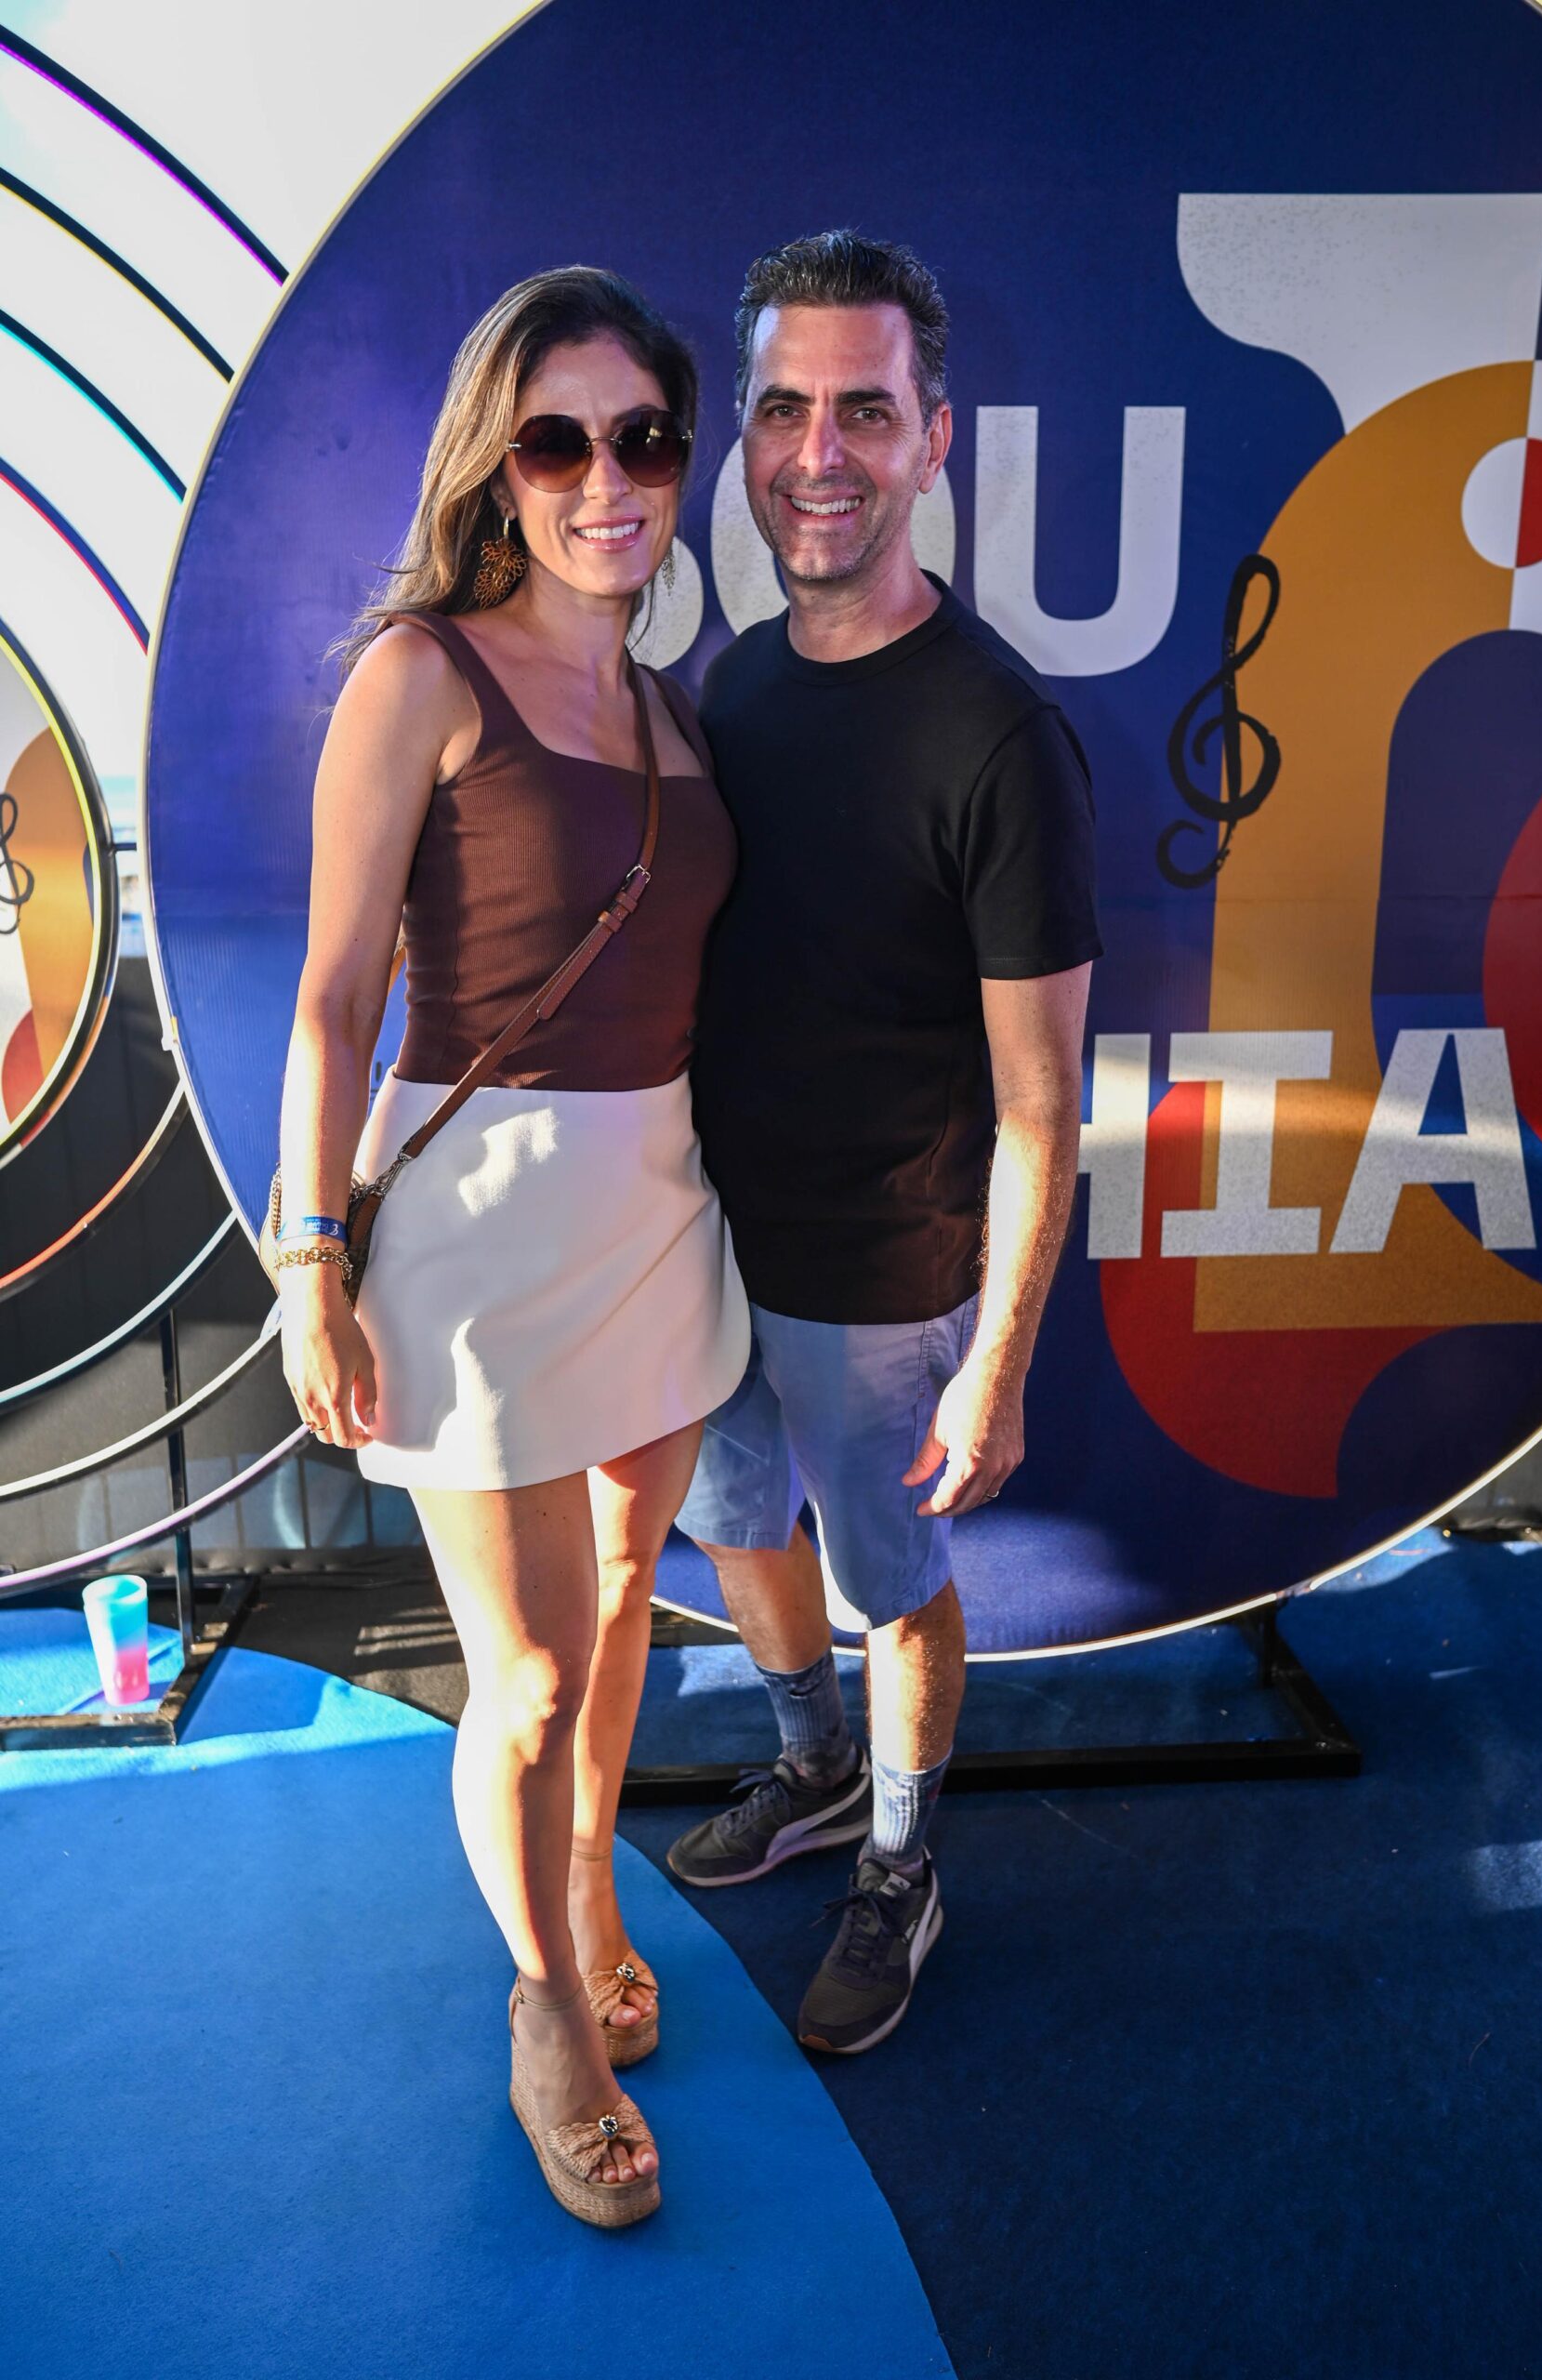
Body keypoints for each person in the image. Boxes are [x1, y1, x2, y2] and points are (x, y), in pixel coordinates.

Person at [275, 268, 749, 2226]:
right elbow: (330, 997)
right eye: (558, 441)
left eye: (643, 437)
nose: (605, 479)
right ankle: (545, 2005)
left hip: (658, 1207)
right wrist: (311, 1258)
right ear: (497, 462)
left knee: (627, 1608)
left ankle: (584, 1897)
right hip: (476, 1238)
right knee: (534, 1675)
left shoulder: (670, 706)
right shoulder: (420, 674)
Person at [669, 231, 1100, 2055]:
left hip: (882, 1271)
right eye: (782, 409)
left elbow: (1042, 1101)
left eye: (863, 409)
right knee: (733, 1526)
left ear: (932, 437)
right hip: (699, 1245)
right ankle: (810, 1764)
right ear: (743, 438)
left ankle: (902, 1866)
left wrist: (995, 1365)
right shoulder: (733, 684)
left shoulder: (998, 735)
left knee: (895, 1589)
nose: (817, 451)